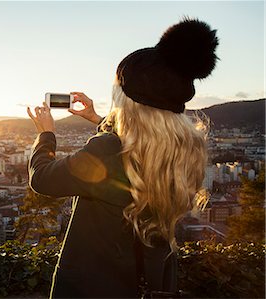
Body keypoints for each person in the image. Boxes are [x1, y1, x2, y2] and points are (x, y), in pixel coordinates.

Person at [26, 18, 219, 298]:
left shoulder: (108, 150)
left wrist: (46, 135)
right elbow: (136, 145)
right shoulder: (187, 150)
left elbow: (42, 179)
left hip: (96, 285)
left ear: (128, 102)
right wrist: (95, 118)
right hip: (152, 282)